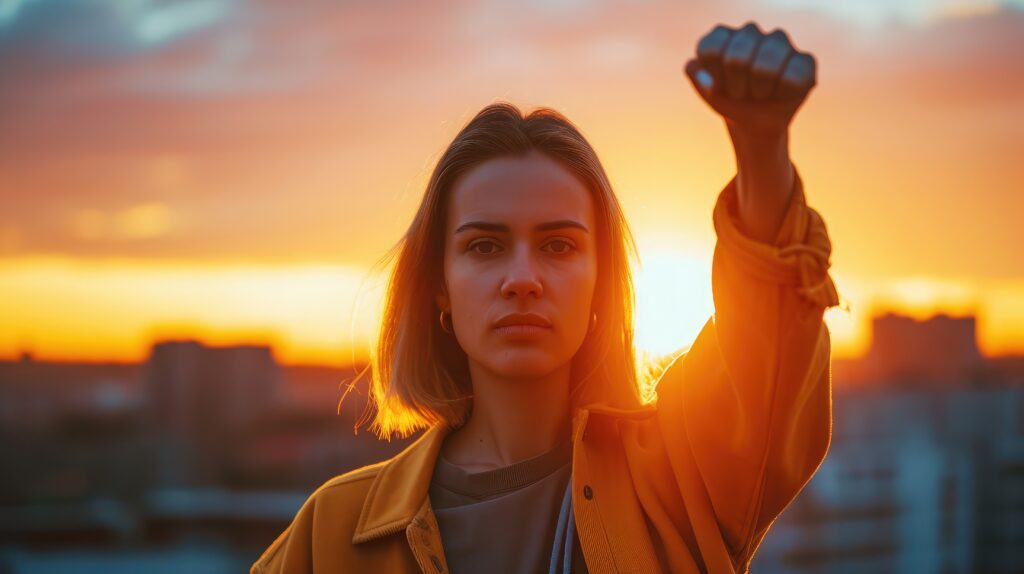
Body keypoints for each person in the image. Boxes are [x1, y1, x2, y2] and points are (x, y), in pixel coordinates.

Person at [251, 21, 840, 574]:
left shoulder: (680, 475)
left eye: (558, 246)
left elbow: (766, 349)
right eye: (484, 247)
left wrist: (761, 149)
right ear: (439, 286)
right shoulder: (334, 530)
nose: (523, 278)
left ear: (600, 286)